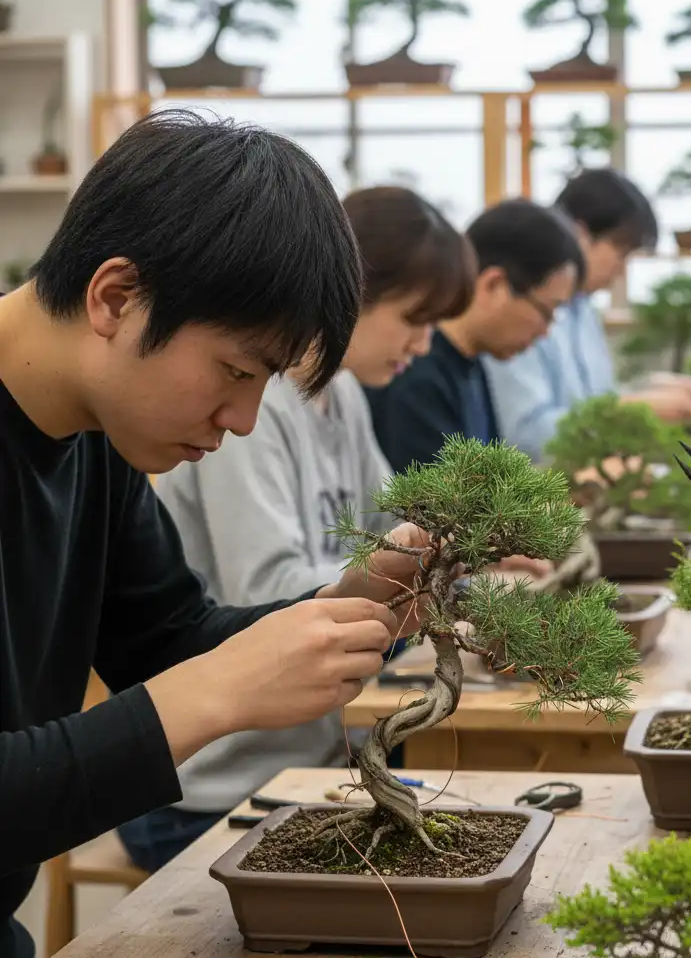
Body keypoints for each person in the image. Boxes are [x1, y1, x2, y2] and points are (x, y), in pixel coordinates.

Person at [0, 111, 428, 958]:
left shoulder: (95, 439)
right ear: (116, 298)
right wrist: (213, 691)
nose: (242, 420)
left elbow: (168, 640)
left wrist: (356, 599)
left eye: (266, 382)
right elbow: (193, 680)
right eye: (237, 370)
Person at [114, 185, 477, 872]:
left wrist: (443, 557)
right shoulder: (242, 407)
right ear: (350, 292)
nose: (424, 344)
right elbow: (266, 593)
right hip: (214, 789)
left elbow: (387, 526)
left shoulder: (341, 396)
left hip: (310, 764)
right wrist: (371, 586)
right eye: (414, 317)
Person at [482, 168, 691, 462]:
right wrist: (636, 409)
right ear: (579, 234)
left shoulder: (584, 310)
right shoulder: (523, 307)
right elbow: (528, 438)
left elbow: (595, 400)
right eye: (620, 250)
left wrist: (647, 393)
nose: (622, 269)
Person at [363, 196, 583, 472]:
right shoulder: (411, 373)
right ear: (494, 284)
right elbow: (435, 510)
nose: (546, 332)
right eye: (547, 311)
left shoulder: (472, 365)